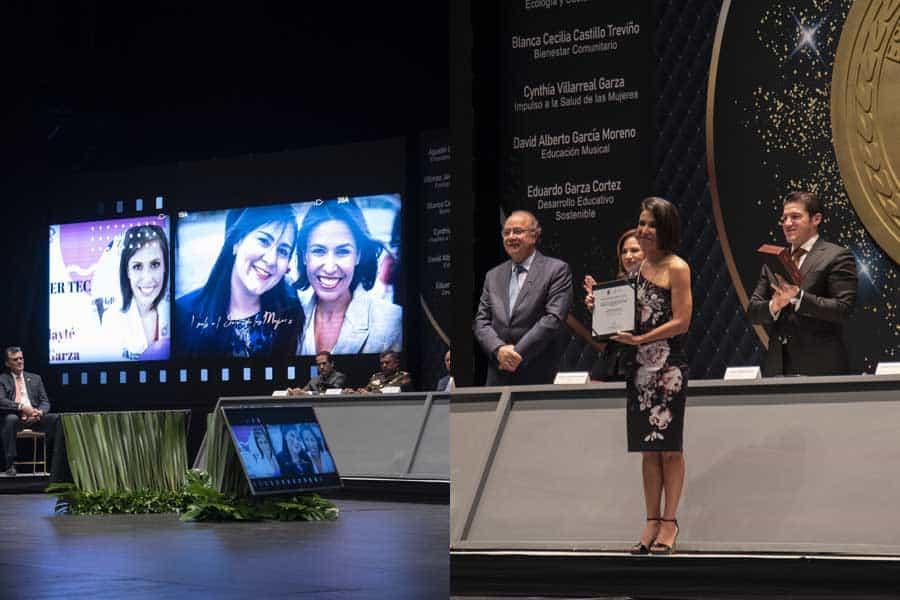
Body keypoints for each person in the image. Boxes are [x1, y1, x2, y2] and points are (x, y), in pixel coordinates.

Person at [611, 197, 692, 555]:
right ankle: (650, 520)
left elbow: (682, 321)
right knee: (648, 449)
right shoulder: (636, 268)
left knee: (670, 450)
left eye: (650, 225)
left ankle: (669, 523)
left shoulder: (678, 267)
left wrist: (642, 338)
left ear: (665, 229)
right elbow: (629, 314)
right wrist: (603, 311)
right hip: (639, 369)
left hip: (669, 367)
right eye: (641, 223)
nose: (643, 231)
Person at [747, 191, 858, 376]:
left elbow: (843, 309)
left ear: (816, 219)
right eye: (784, 218)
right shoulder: (775, 259)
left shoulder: (836, 256)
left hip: (821, 368)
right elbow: (753, 313)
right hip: (778, 367)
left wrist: (799, 297)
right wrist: (775, 304)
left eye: (795, 217)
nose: (788, 223)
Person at [176, 205, 304, 358]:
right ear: (237, 242)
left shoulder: (292, 312)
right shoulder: (182, 314)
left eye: (283, 251)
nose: (271, 260)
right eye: (263, 241)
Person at [473, 210, 573, 385]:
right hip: (498, 374)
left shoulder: (556, 270)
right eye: (506, 232)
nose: (511, 237)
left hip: (538, 372)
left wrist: (516, 354)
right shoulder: (493, 275)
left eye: (518, 231)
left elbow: (553, 318)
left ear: (534, 236)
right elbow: (481, 322)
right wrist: (499, 350)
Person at [294, 199, 402, 356]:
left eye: (343, 251)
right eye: (318, 251)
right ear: (304, 255)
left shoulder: (393, 322)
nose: (330, 268)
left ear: (358, 256)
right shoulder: (288, 317)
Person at [100, 224, 171, 360]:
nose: (147, 278)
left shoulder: (179, 311)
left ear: (165, 267)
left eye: (155, 264)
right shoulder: (112, 320)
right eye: (137, 266)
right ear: (127, 271)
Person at [583, 228, 644, 381]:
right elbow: (606, 337)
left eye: (635, 250)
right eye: (624, 252)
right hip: (612, 363)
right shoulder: (618, 287)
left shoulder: (657, 285)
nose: (628, 256)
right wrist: (599, 308)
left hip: (643, 362)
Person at [0, 347, 63, 477]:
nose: (19, 361)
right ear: (7, 363)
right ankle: (10, 464)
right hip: (16, 419)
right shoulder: (2, 379)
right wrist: (22, 407)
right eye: (15, 359)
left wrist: (40, 412)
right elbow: (1, 401)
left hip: (35, 418)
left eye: (21, 358)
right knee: (10, 419)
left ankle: (57, 463)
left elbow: (45, 402)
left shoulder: (35, 378)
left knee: (57, 419)